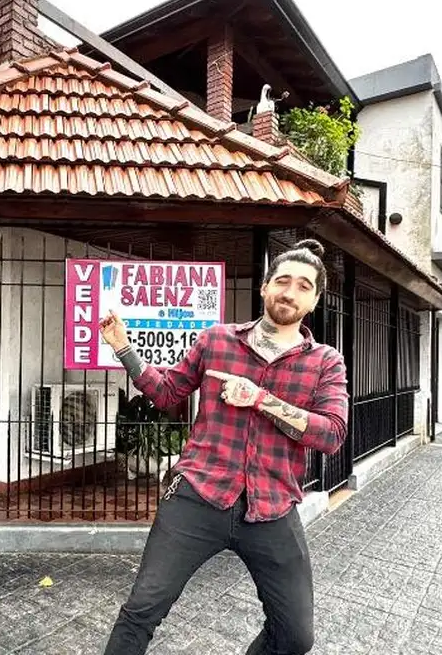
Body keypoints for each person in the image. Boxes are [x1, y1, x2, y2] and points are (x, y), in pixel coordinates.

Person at [99, 239, 348, 655]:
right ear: (265, 287)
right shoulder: (217, 340)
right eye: (282, 281)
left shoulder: (325, 362)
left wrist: (261, 399)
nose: (290, 292)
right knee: (141, 610)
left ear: (315, 300)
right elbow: (167, 392)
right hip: (198, 495)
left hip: (271, 507)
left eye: (304, 286)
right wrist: (124, 349)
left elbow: (332, 433)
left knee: (294, 636)